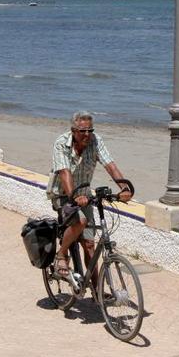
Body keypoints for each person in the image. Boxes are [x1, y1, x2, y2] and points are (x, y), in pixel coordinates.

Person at [47, 110, 131, 285]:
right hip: (62, 194)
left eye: (90, 131)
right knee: (80, 221)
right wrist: (75, 196)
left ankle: (96, 291)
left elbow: (110, 165)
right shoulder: (61, 143)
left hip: (84, 195)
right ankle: (61, 254)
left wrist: (124, 188)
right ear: (73, 130)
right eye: (83, 131)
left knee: (90, 245)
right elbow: (64, 173)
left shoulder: (95, 141)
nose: (87, 135)